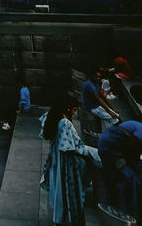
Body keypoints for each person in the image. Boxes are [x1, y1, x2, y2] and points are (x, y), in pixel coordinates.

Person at [40, 93, 100, 226]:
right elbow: (70, 147)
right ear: (68, 109)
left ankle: (58, 219)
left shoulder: (51, 117)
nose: (75, 112)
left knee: (58, 189)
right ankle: (62, 219)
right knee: (66, 190)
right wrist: (87, 153)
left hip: (56, 158)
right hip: (66, 161)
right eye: (74, 109)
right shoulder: (65, 123)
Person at [98, 120, 142, 220]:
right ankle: (118, 212)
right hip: (109, 148)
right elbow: (132, 151)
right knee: (122, 178)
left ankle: (117, 208)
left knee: (121, 178)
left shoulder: (138, 132)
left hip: (109, 146)